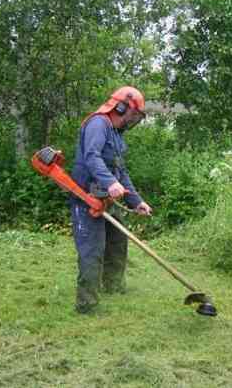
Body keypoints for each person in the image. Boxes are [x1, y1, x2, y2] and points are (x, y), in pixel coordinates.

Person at [70, 85, 152, 314]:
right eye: (134, 114)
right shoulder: (98, 124)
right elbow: (91, 156)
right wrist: (110, 182)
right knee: (92, 250)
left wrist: (137, 202)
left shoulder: (115, 133)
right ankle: (87, 304)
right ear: (121, 106)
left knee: (117, 243)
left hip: (106, 197)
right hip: (87, 198)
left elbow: (121, 171)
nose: (133, 119)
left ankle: (114, 286)